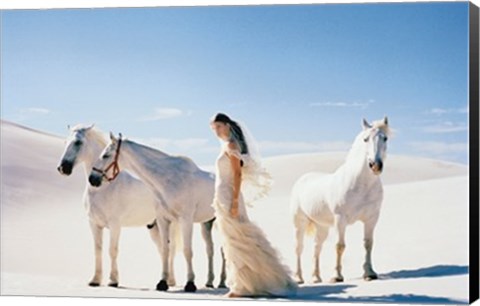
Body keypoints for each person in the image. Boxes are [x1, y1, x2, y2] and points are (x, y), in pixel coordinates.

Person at [209, 113, 297, 298]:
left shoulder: (232, 145)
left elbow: (237, 175)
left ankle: (242, 286)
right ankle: (243, 284)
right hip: (222, 196)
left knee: (239, 239)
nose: (215, 131)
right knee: (231, 240)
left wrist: (234, 202)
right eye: (213, 127)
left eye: (218, 126)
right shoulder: (226, 145)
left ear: (227, 125)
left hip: (229, 195)